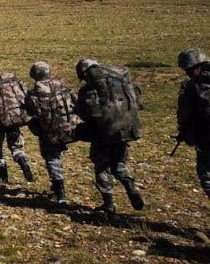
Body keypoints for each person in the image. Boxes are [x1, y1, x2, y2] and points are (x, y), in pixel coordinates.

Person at [74, 58, 145, 214]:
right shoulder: (121, 80)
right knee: (119, 162)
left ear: (84, 73)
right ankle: (129, 185)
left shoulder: (88, 89)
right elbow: (139, 103)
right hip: (126, 129)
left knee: (101, 166)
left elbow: (85, 113)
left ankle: (108, 203)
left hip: (103, 133)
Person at [24, 62, 80, 204]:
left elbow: (30, 114)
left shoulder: (33, 93)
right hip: (71, 128)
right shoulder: (63, 86)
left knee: (52, 158)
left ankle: (59, 192)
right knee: (56, 156)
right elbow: (76, 103)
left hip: (50, 132)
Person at [176, 47, 210, 203]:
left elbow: (185, 113)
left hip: (205, 136)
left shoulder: (191, 86)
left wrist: (184, 131)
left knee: (206, 174)